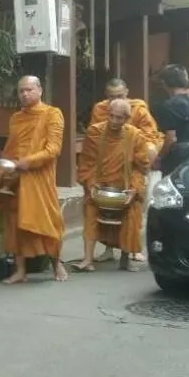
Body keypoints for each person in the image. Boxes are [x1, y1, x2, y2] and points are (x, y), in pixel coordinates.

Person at [0, 74, 67, 284]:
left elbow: (53, 149)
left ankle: (57, 265)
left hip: (40, 177)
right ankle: (20, 271)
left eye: (29, 90)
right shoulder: (16, 118)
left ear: (40, 90)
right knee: (16, 222)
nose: (25, 94)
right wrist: (4, 171)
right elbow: (11, 148)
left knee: (48, 221)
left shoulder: (52, 114)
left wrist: (29, 161)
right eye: (21, 91)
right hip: (18, 176)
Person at [87, 77, 162, 265]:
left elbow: (150, 134)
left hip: (132, 161)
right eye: (111, 97)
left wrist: (131, 140)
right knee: (103, 209)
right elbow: (96, 136)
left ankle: (131, 249)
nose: (115, 100)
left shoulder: (138, 109)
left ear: (127, 92)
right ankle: (108, 249)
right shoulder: (100, 109)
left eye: (119, 95)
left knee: (132, 211)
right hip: (108, 164)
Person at [74, 98, 149, 272]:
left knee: (131, 216)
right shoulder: (95, 132)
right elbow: (87, 163)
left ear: (127, 119)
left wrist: (134, 188)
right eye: (112, 116)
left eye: (120, 118)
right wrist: (91, 184)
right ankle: (87, 259)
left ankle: (125, 258)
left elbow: (141, 167)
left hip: (124, 186)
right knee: (90, 215)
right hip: (100, 185)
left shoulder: (135, 136)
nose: (115, 121)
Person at [153, 64, 189, 174]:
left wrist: (159, 157)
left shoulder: (169, 106)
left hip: (176, 163)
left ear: (164, 83)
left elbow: (171, 138)